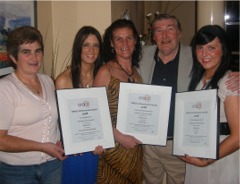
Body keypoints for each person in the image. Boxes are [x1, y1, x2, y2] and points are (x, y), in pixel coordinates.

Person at [139, 14, 240, 184]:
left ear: (180, 33)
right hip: (151, 146)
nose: (165, 36)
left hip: (187, 146)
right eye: (159, 30)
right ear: (153, 35)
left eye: (170, 29)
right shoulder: (142, 56)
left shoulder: (201, 63)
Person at [0, 26, 65, 184]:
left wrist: (64, 139)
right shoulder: (5, 88)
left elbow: (52, 119)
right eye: (26, 52)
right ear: (14, 57)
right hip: (18, 171)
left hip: (52, 166)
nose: (34, 57)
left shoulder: (48, 81)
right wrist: (42, 147)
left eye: (38, 51)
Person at [179, 25, 239, 184]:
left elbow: (238, 136)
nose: (204, 54)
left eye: (211, 48)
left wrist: (208, 160)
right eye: (200, 48)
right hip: (199, 151)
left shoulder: (229, 83)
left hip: (220, 156)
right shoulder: (198, 80)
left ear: (224, 50)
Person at [93, 19, 143, 184]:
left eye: (129, 38)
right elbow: (96, 112)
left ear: (135, 41)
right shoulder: (105, 71)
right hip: (113, 148)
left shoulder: (137, 72)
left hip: (135, 149)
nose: (125, 43)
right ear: (112, 43)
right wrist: (120, 137)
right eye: (119, 39)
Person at [55, 26, 104, 184]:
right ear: (78, 48)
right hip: (76, 153)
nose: (91, 50)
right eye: (86, 45)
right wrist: (71, 144)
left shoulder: (102, 76)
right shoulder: (64, 80)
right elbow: (62, 121)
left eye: (96, 45)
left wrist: (104, 142)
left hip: (97, 149)